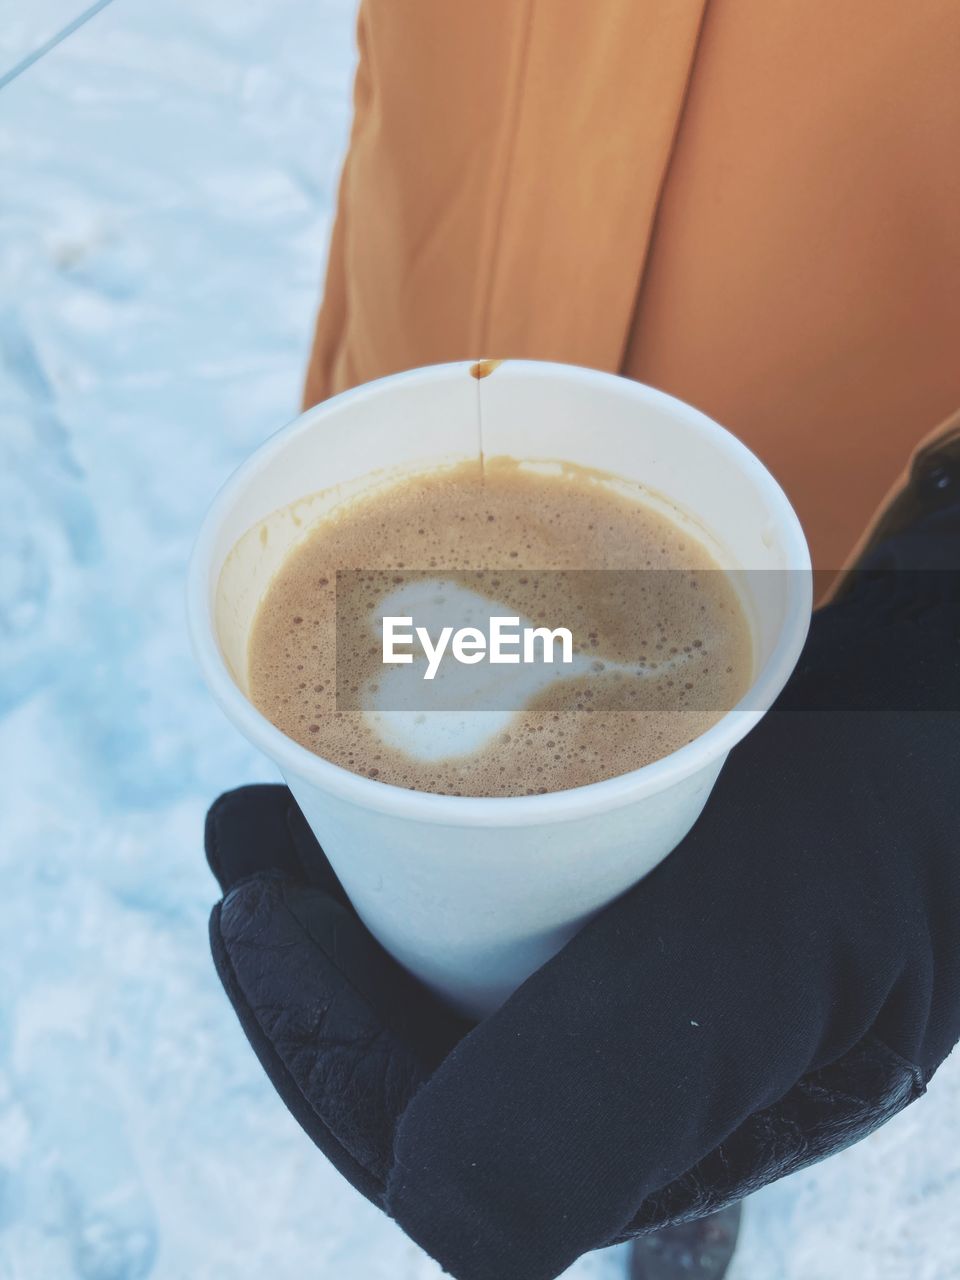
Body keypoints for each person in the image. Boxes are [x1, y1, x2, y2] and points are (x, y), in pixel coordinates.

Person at [204, 4, 960, 1277]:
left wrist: (940, 649)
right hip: (446, 270)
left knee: (749, 916)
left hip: (845, 409)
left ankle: (687, 1143)